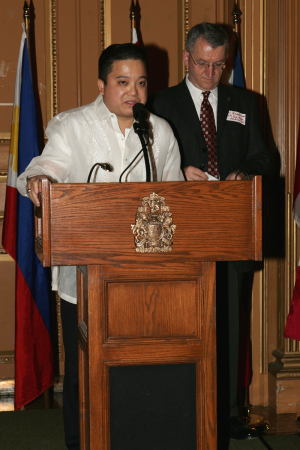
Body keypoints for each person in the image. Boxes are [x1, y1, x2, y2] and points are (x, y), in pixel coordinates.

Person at [17, 43, 184, 450]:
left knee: (136, 373)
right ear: (102, 84)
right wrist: (40, 180)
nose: (134, 92)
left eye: (141, 83)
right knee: (84, 374)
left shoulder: (159, 131)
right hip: (86, 275)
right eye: (123, 82)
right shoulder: (71, 125)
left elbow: (175, 196)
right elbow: (44, 167)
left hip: (145, 280)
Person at [148, 22, 270, 441]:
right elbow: (145, 163)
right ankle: (182, 406)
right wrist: (179, 172)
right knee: (182, 320)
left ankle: (231, 412)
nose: (210, 73)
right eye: (202, 64)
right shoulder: (160, 102)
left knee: (232, 322)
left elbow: (265, 158)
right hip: (178, 232)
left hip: (231, 229)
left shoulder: (246, 103)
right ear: (187, 59)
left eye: (219, 65)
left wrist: (243, 172)